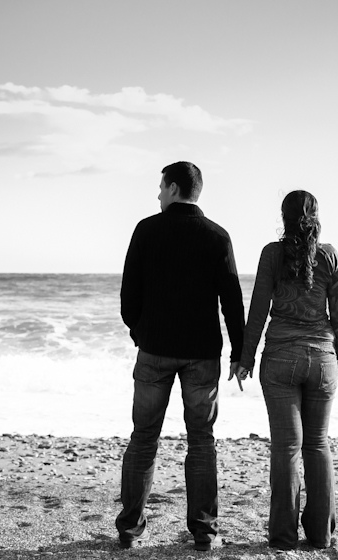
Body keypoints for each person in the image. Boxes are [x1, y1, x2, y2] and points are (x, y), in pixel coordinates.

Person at [116, 161, 245, 551]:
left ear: (174, 188)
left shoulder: (146, 230)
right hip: (202, 354)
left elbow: (128, 297)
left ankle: (130, 531)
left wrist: (143, 332)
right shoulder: (217, 237)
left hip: (154, 351)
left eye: (160, 187)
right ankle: (205, 533)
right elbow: (232, 302)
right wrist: (239, 352)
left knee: (143, 439)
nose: (157, 194)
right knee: (202, 441)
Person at [235, 190, 338, 550]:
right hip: (322, 359)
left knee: (286, 448)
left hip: (281, 358)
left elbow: (257, 310)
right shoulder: (329, 255)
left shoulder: (272, 253)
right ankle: (320, 535)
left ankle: (283, 537)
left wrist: (245, 358)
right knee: (317, 444)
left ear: (284, 217)